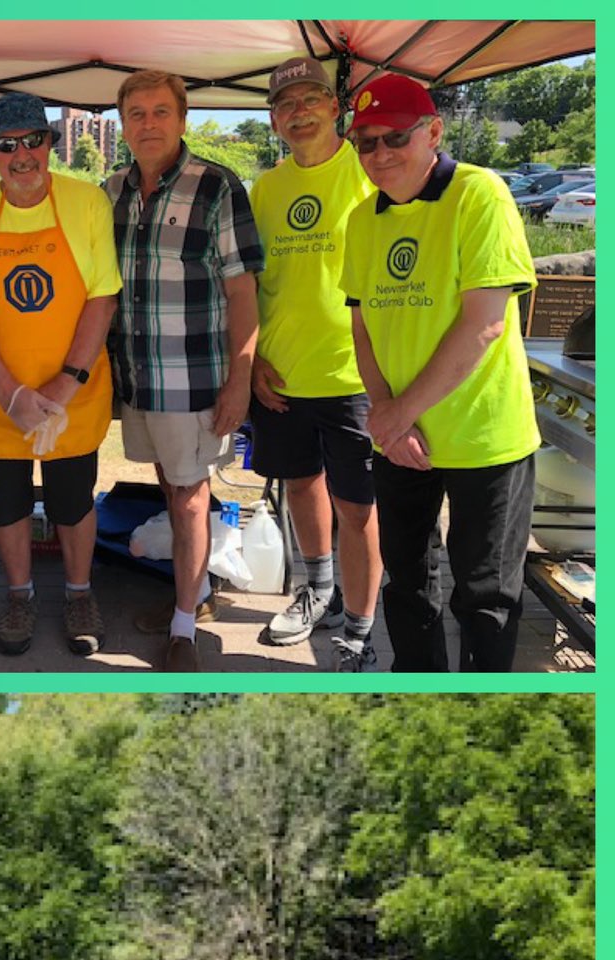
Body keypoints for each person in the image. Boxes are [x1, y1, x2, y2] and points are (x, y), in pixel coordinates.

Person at [341, 72, 539, 672]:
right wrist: (387, 419)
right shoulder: (361, 220)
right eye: (365, 142)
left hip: (484, 437)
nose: (379, 155)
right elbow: (363, 327)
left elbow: (485, 323)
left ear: (433, 132)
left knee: (486, 598)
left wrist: (396, 415)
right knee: (406, 583)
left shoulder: (480, 194)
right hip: (401, 441)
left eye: (394, 138)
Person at [105, 69, 264, 672]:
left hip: (195, 377)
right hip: (136, 378)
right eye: (137, 113)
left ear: (182, 118)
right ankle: (191, 594)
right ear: (123, 123)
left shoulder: (217, 187)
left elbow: (244, 294)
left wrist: (240, 379)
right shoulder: (110, 190)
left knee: (192, 499)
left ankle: (182, 629)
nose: (148, 123)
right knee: (170, 487)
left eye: (160, 112)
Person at [247, 56, 382, 669]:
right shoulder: (266, 189)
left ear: (335, 107)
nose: (298, 113)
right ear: (273, 120)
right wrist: (251, 361)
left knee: (358, 509)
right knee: (300, 485)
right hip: (282, 373)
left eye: (310, 100)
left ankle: (359, 622)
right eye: (285, 105)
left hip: (357, 377)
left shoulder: (371, 170)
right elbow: (250, 285)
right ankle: (318, 590)